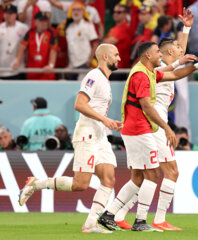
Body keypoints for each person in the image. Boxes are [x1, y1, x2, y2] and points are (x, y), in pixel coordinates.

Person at [97, 41, 198, 232]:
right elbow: (147, 106)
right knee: (153, 174)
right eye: (158, 52)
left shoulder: (146, 72)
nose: (161, 54)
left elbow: (174, 74)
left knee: (138, 177)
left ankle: (110, 215)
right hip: (140, 130)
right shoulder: (141, 75)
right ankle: (140, 221)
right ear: (148, 56)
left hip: (135, 129)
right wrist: (166, 127)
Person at [18, 44, 123, 234]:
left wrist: (109, 123)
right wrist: (105, 119)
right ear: (105, 57)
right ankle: (37, 184)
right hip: (87, 134)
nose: (120, 58)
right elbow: (79, 104)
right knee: (80, 184)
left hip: (99, 135)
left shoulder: (105, 80)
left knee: (109, 178)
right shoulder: (94, 76)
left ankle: (91, 223)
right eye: (116, 55)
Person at [113, 10, 195, 231]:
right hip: (154, 126)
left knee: (141, 176)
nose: (181, 50)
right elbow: (177, 68)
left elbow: (179, 64)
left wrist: (186, 30)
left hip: (150, 126)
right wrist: (166, 128)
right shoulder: (154, 69)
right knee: (169, 172)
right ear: (168, 52)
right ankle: (158, 219)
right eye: (177, 49)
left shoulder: (160, 67)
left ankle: (117, 214)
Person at [12, 11, 58, 80]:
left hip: (46, 73)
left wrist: (51, 65)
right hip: (31, 73)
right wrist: (18, 61)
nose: (44, 23)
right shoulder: (30, 33)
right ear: (35, 22)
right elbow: (22, 46)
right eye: (41, 21)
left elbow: (53, 50)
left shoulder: (52, 33)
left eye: (46, 21)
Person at [64, 1, 98, 80]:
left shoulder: (88, 25)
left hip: (84, 63)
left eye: (79, 10)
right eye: (74, 10)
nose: (76, 12)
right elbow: (69, 47)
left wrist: (90, 60)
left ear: (83, 12)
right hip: (72, 65)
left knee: (82, 88)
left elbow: (95, 44)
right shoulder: (68, 28)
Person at [0, 5, 28, 80]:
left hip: (18, 69)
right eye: (6, 13)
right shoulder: (0, 28)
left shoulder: (23, 28)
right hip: (2, 69)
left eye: (10, 13)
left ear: (15, 15)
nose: (7, 16)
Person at [103, 4, 132, 69]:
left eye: (119, 12)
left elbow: (107, 43)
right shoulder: (114, 28)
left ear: (125, 14)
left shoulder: (125, 28)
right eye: (114, 12)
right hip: (111, 65)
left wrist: (103, 41)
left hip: (120, 66)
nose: (115, 14)